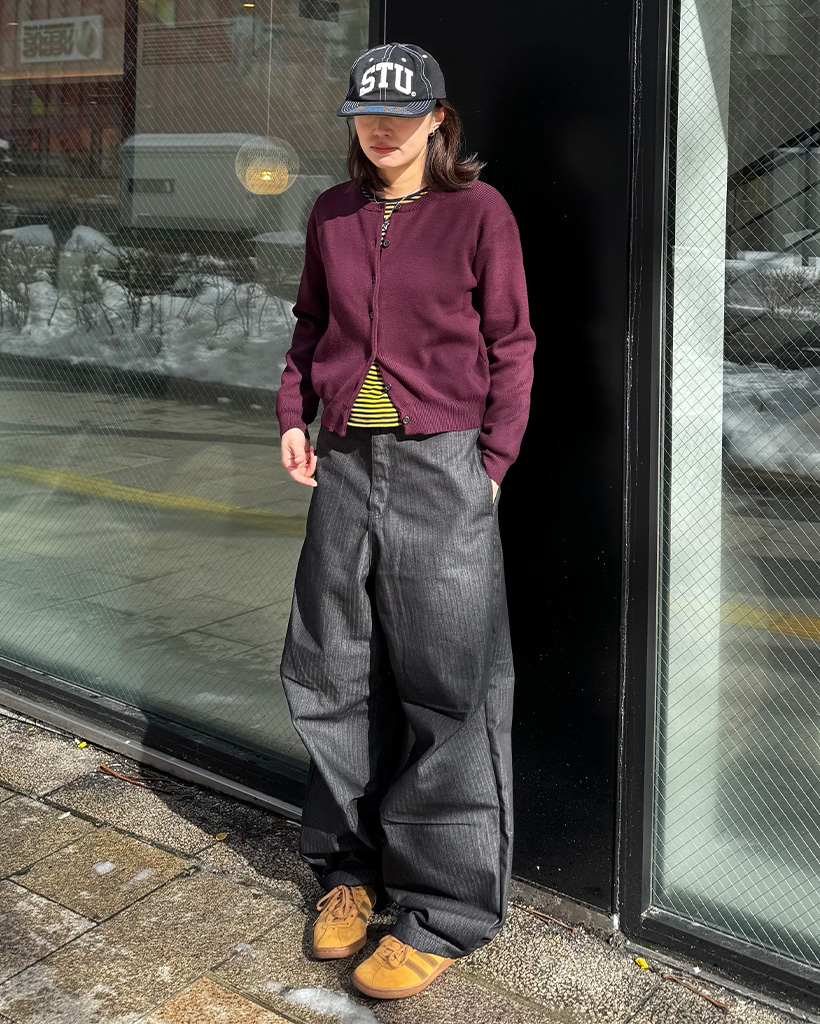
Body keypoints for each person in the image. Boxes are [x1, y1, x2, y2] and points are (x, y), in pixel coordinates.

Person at [276, 41, 536, 1000]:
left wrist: (492, 464)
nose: (381, 129)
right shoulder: (332, 213)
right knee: (331, 666)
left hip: (442, 467)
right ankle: (348, 872)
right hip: (346, 463)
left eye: (401, 113)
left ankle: (445, 910)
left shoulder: (479, 211)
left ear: (436, 119)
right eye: (366, 114)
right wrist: (295, 413)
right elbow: (310, 326)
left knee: (450, 686)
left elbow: (512, 343)